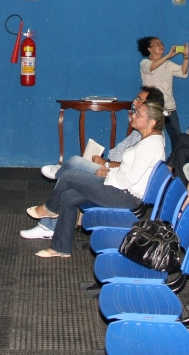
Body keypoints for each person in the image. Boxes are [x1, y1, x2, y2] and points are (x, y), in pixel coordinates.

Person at [28, 101, 166, 258]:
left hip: (124, 195)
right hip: (119, 189)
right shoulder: (148, 140)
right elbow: (130, 170)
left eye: (138, 114)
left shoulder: (151, 145)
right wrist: (111, 170)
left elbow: (129, 180)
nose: (133, 115)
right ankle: (60, 248)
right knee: (68, 196)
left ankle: (50, 209)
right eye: (135, 112)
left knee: (68, 175)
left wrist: (108, 174)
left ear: (152, 122)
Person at [137, 37, 189, 149]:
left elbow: (183, 72)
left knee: (177, 136)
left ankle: (176, 164)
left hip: (168, 108)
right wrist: (168, 56)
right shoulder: (145, 63)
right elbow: (151, 67)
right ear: (149, 49)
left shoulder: (168, 64)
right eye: (157, 44)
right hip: (151, 108)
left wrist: (186, 57)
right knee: (152, 136)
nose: (161, 46)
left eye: (162, 43)